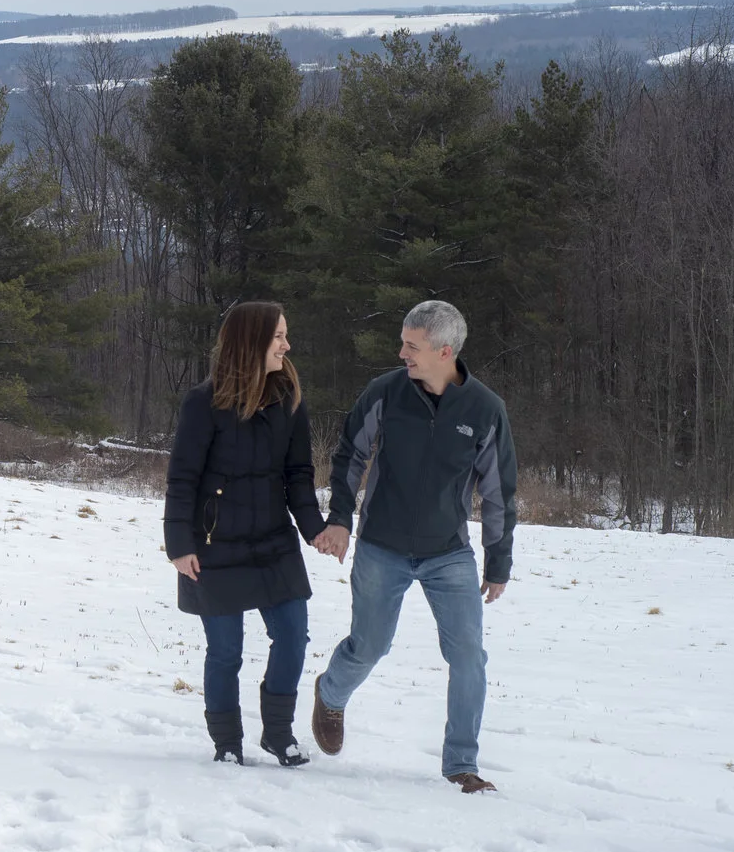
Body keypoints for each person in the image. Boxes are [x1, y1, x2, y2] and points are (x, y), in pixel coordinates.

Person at [309, 299, 517, 793]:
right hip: (382, 545)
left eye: (411, 346)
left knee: (468, 655)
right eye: (403, 343)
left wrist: (498, 561)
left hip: (449, 552)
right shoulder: (386, 391)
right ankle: (331, 693)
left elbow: (497, 492)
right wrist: (340, 519)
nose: (401, 353)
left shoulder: (485, 409)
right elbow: (350, 455)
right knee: (370, 646)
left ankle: (461, 764)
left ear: (445, 352)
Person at [165, 300, 330, 767]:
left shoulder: (289, 398)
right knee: (225, 652)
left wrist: (314, 530)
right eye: (279, 336)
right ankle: (227, 743)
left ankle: (278, 734)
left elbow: (298, 474)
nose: (287, 345)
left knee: (293, 637)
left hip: (273, 542)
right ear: (252, 341)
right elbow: (182, 478)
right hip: (213, 546)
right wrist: (178, 545)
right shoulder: (204, 402)